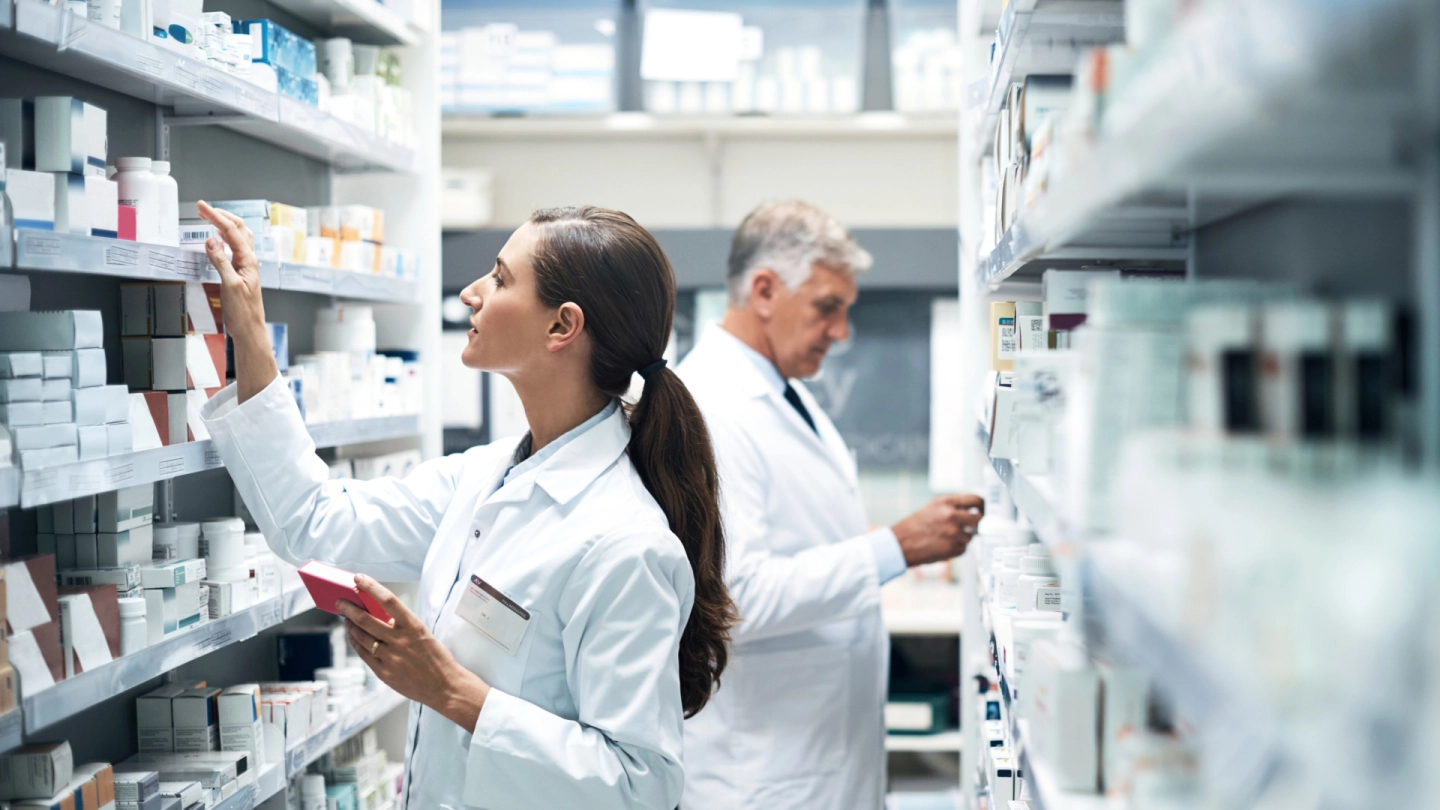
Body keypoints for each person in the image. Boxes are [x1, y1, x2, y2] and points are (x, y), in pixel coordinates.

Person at [195, 202, 735, 810]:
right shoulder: (482, 477)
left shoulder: (625, 542)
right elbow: (314, 522)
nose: (472, 294)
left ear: (563, 327)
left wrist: (453, 692)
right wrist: (251, 338)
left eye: (501, 279)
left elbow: (642, 786)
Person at [676, 200, 983, 809]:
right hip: (764, 771)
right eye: (827, 308)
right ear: (764, 289)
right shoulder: (712, 406)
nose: (841, 332)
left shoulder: (784, 392)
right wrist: (894, 547)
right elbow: (735, 598)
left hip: (816, 754)